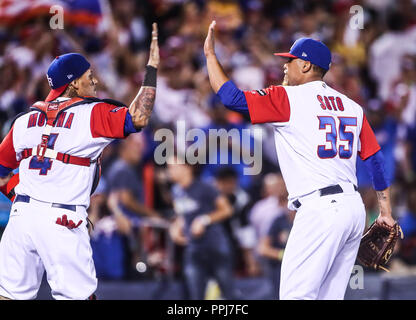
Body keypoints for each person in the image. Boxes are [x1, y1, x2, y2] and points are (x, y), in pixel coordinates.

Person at [204, 20, 396, 300]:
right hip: (353, 210)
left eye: (291, 60)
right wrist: (386, 212)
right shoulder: (353, 107)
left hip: (319, 210)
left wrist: (210, 56)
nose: (285, 65)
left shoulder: (288, 98)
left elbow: (232, 99)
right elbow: (374, 159)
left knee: (296, 297)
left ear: (306, 66)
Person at [0, 24, 159, 300]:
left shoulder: (25, 119)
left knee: (9, 296)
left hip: (21, 218)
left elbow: (1, 170)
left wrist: (20, 195)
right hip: (62, 219)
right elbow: (139, 117)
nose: (94, 81)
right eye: (89, 75)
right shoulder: (91, 115)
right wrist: (152, 70)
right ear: (73, 83)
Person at [167, 155, 237, 300]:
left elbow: (227, 209)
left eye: (173, 167)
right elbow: (183, 214)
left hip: (215, 246)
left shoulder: (205, 187)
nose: (170, 171)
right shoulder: (176, 191)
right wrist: (176, 227)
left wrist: (204, 220)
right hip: (193, 248)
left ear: (187, 168)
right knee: (195, 295)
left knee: (228, 293)